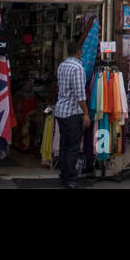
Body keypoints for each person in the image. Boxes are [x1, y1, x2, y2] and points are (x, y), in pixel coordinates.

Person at [54, 41, 91, 188]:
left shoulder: (62, 66)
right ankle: (70, 178)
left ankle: (64, 175)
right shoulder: (78, 68)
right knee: (73, 146)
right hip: (71, 112)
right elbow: (80, 95)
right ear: (79, 52)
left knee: (64, 144)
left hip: (61, 110)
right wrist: (86, 113)